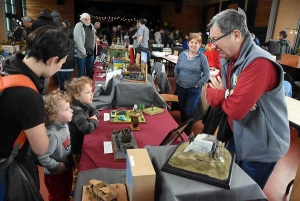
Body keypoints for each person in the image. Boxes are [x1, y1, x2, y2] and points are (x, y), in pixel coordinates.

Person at [206, 9, 290, 189]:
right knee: (227, 187)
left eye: (215, 39)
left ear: (236, 35)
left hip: (261, 146)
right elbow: (210, 96)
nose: (212, 46)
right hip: (238, 136)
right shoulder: (228, 58)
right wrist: (229, 94)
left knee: (244, 194)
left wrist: (226, 94)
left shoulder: (259, 62)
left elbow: (236, 110)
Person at [0, 26, 71, 192]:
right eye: (62, 62)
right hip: (14, 170)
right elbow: (41, 148)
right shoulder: (28, 96)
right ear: (52, 60)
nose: (60, 67)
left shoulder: (8, 68)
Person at [66, 77, 99, 197]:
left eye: (91, 91)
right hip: (76, 147)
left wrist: (93, 116)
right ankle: (74, 193)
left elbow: (94, 110)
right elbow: (87, 128)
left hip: (78, 143)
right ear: (76, 96)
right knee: (77, 170)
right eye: (88, 92)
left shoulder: (83, 104)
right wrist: (94, 121)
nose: (92, 94)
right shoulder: (77, 111)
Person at [38, 90, 74, 201]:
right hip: (55, 175)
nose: (72, 110)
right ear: (54, 116)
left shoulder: (64, 124)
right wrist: (58, 166)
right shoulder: (52, 135)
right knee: (57, 197)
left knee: (66, 193)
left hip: (66, 169)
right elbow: (42, 157)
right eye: (67, 109)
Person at [174, 33, 210, 136]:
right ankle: (182, 127)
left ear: (200, 45)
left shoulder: (202, 58)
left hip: (193, 90)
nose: (193, 45)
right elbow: (176, 68)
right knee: (182, 109)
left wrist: (198, 84)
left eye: (196, 43)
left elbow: (207, 74)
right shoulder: (182, 55)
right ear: (188, 43)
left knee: (189, 111)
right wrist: (177, 79)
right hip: (181, 87)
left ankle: (186, 134)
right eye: (192, 42)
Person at [73, 13, 96, 78]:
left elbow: (93, 35)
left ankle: (88, 86)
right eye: (86, 19)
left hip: (91, 52)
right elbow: (77, 40)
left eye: (89, 19)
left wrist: (96, 39)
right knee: (81, 71)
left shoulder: (91, 26)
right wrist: (83, 52)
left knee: (90, 70)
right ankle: (81, 86)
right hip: (82, 53)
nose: (88, 20)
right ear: (82, 20)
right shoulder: (78, 26)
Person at [57, 27, 75, 91]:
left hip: (60, 63)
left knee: (60, 79)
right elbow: (74, 51)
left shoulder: (58, 41)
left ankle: (62, 90)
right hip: (70, 62)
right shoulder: (72, 41)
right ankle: (68, 91)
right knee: (68, 79)